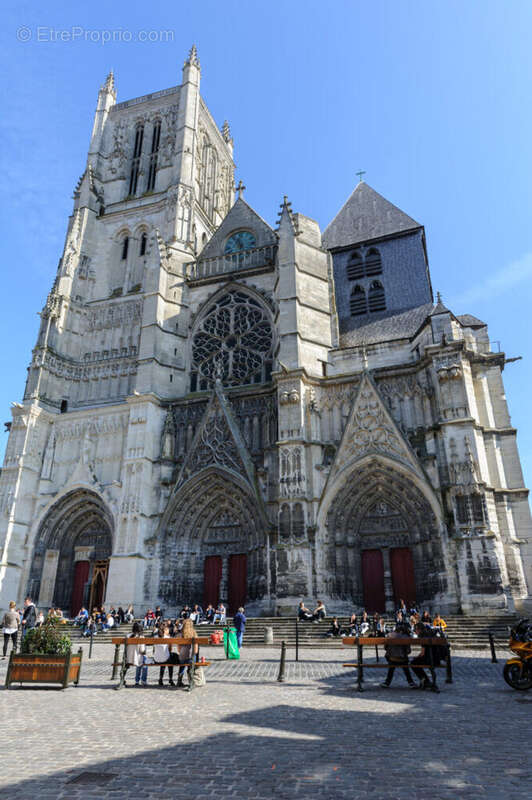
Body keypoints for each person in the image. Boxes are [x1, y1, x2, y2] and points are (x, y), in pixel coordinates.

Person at [380, 622, 416, 689]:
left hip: (391, 658)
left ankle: (387, 682)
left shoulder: (389, 635)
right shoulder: (406, 637)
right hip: (402, 658)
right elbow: (408, 651)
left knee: (392, 664)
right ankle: (410, 682)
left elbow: (385, 648)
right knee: (405, 665)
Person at [177, 617, 199, 688]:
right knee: (191, 661)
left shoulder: (180, 634)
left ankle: (179, 680)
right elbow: (195, 650)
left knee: (182, 663)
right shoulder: (194, 634)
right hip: (191, 657)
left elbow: (179, 649)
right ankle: (191, 680)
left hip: (182, 657)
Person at [410, 621, 432, 689]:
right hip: (434, 657)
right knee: (415, 661)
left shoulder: (423, 637)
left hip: (428, 658)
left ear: (419, 630)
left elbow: (422, 653)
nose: (415, 632)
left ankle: (425, 680)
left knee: (413, 663)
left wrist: (417, 657)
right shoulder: (428, 634)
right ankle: (425, 680)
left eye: (415, 630)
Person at [127, 622, 148, 686]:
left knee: (140, 661)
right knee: (145, 663)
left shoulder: (128, 636)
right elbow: (142, 650)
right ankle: (143, 680)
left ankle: (137, 680)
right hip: (137, 658)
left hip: (129, 658)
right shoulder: (141, 637)